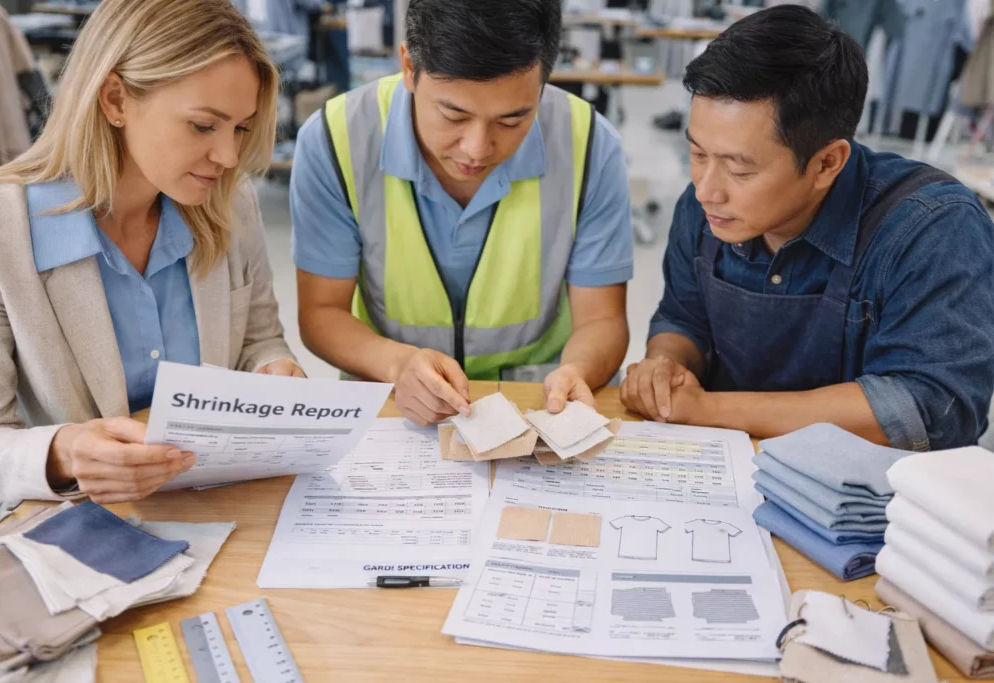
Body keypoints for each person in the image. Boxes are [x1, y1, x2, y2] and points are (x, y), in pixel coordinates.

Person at [0, 0, 302, 505]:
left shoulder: (230, 202)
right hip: (83, 532)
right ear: (115, 99)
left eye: (239, 127)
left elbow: (260, 341)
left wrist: (271, 371)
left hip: (220, 505)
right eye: (203, 126)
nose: (229, 156)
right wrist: (66, 452)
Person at [622, 5, 994, 451]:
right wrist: (666, 364)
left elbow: (927, 407)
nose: (706, 190)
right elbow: (684, 318)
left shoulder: (931, 228)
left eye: (739, 170)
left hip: (871, 500)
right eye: (699, 154)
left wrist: (708, 410)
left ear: (826, 163)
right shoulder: (701, 208)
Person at [290, 0, 633, 426]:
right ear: (409, 67)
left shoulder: (589, 143)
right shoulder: (335, 138)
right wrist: (398, 365)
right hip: (396, 403)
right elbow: (321, 313)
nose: (477, 148)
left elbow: (602, 318)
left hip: (539, 407)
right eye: (453, 114)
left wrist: (577, 371)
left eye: (512, 121)